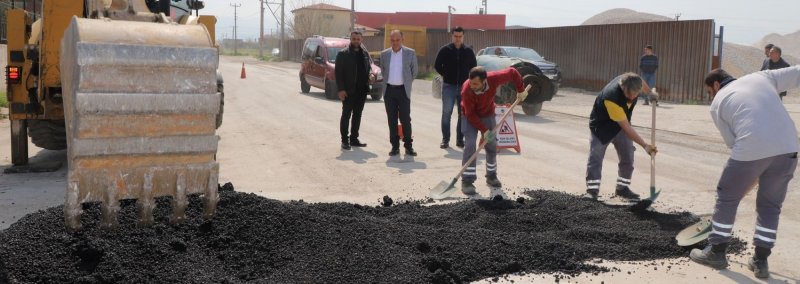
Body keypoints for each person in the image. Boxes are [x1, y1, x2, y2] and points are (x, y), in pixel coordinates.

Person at [690, 67, 800, 279]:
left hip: (752, 147)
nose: (711, 95)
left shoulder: (718, 102)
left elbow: (736, 145)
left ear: (715, 85)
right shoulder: (763, 77)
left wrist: (747, 180)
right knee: (770, 206)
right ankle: (761, 261)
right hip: (789, 147)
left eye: (710, 91)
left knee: (727, 197)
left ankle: (717, 252)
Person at [585, 73, 657, 201]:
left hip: (621, 124)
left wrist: (650, 93)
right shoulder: (612, 98)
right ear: (622, 87)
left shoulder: (633, 81)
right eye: (628, 95)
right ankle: (592, 191)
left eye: (635, 95)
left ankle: (622, 189)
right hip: (602, 126)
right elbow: (627, 128)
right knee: (596, 157)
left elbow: (640, 79)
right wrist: (645, 146)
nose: (631, 98)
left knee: (628, 155)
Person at [459, 66, 524, 196]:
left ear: (484, 81)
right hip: (469, 116)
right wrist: (484, 130)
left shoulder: (494, 78)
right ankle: (467, 181)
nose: (472, 85)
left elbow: (512, 72)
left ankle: (491, 176)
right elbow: (470, 114)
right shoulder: (467, 89)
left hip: (487, 114)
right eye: (471, 82)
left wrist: (520, 90)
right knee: (470, 144)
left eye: (476, 83)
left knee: (491, 144)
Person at [434, 26, 477, 149]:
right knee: (446, 113)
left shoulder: (468, 51)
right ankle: (445, 140)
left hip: (464, 88)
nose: (457, 39)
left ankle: (460, 139)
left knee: (462, 114)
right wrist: (446, 75)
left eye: (460, 36)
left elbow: (474, 67)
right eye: (455, 36)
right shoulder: (445, 50)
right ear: (452, 36)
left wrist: (469, 81)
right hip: (448, 86)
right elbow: (437, 65)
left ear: (463, 37)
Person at [380, 30, 419, 156]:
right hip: (389, 91)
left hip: (403, 91)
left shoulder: (410, 53)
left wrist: (406, 83)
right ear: (390, 40)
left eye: (397, 40)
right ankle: (395, 147)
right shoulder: (384, 54)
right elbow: (383, 70)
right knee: (391, 119)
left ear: (403, 39)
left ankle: (408, 146)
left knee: (405, 119)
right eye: (392, 40)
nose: (395, 42)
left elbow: (414, 72)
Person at [335, 31, 373, 150]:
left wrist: (370, 75)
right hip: (348, 91)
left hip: (361, 91)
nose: (356, 41)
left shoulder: (365, 53)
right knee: (346, 115)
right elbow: (338, 73)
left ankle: (354, 139)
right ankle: (344, 141)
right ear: (350, 39)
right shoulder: (343, 54)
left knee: (357, 115)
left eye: (358, 39)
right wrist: (341, 89)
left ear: (361, 40)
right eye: (354, 39)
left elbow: (369, 67)